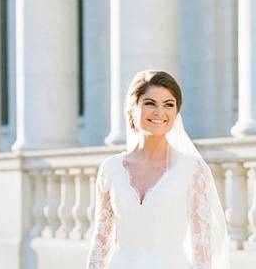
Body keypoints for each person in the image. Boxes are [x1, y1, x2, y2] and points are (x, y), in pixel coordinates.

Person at [86, 69, 230, 269]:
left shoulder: (192, 169)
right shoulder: (110, 169)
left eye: (168, 105)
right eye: (150, 103)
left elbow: (203, 249)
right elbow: (101, 243)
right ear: (132, 108)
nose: (159, 112)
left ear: (176, 112)